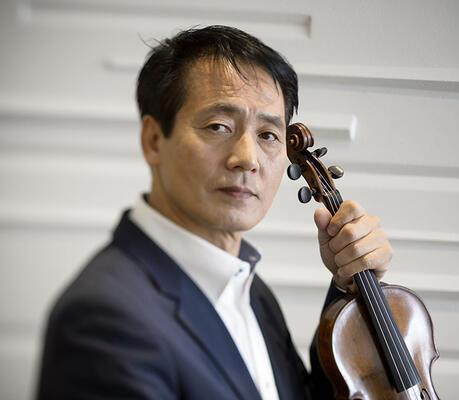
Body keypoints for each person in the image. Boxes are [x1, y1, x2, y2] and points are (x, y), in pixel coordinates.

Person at [37, 25, 392, 399]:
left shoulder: (250, 290)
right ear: (153, 140)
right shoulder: (105, 318)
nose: (247, 158)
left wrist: (351, 286)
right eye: (218, 126)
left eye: (268, 135)